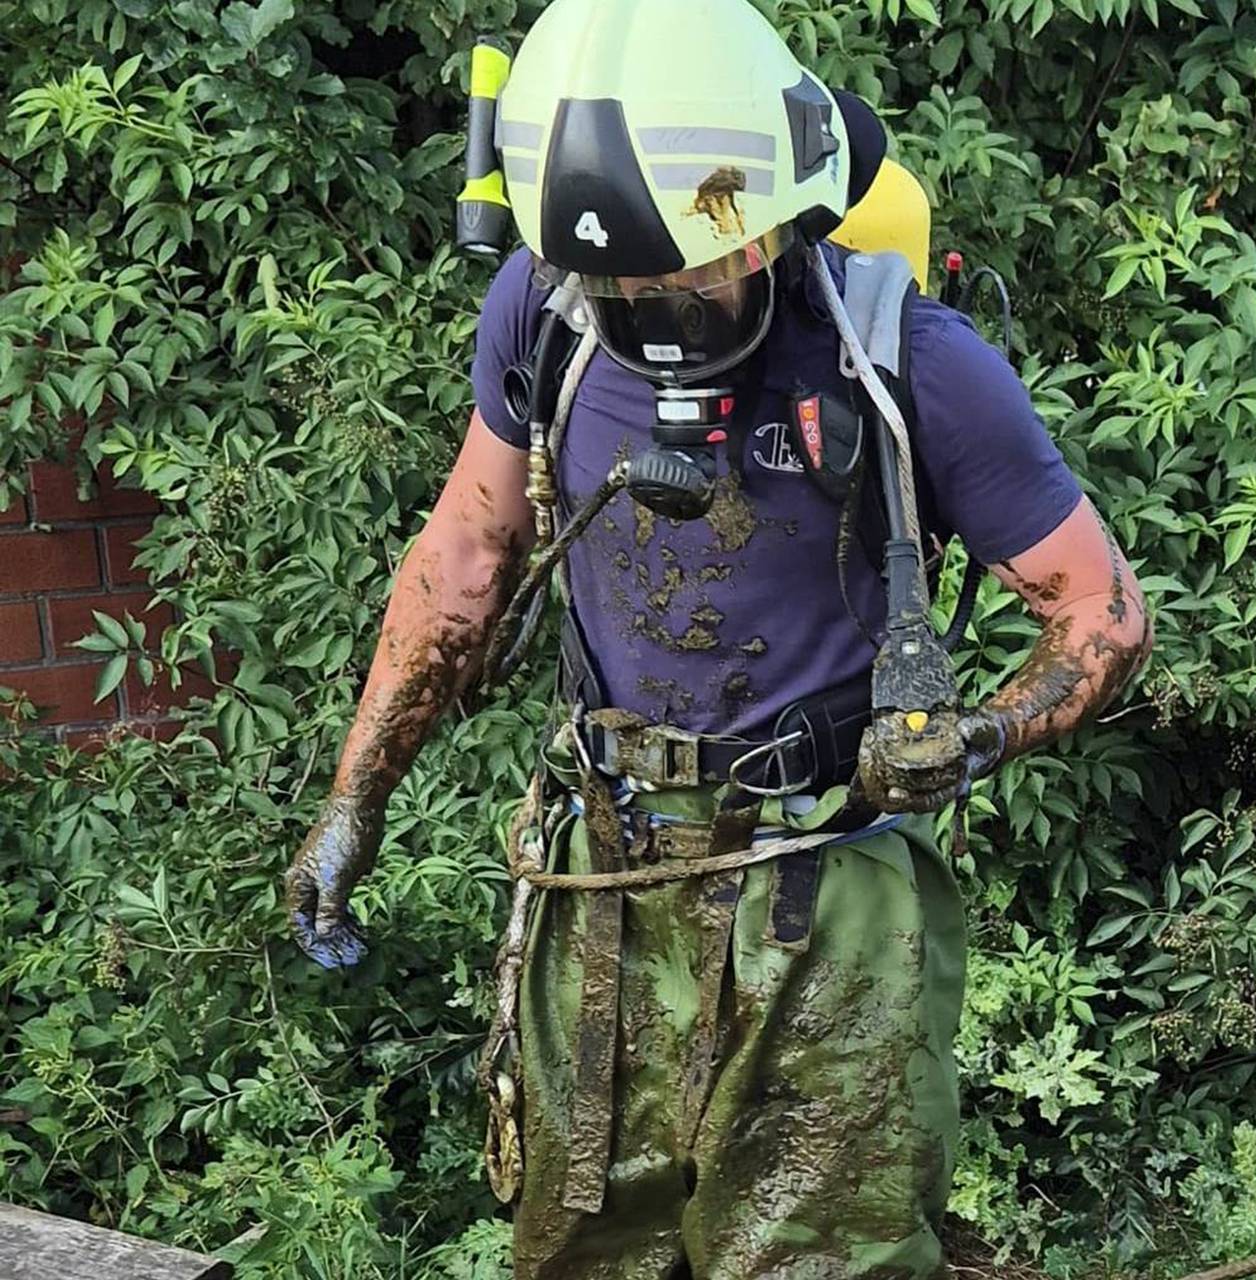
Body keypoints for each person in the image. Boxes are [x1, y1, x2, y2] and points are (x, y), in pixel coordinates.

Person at [277, 1, 1150, 1274]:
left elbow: (1101, 611)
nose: (651, 310)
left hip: (825, 893)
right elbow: (464, 558)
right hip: (605, 878)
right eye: (616, 282)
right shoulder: (543, 314)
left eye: (684, 271)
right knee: (585, 1249)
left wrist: (976, 736)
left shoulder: (909, 363)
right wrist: (352, 801)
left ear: (776, 206)